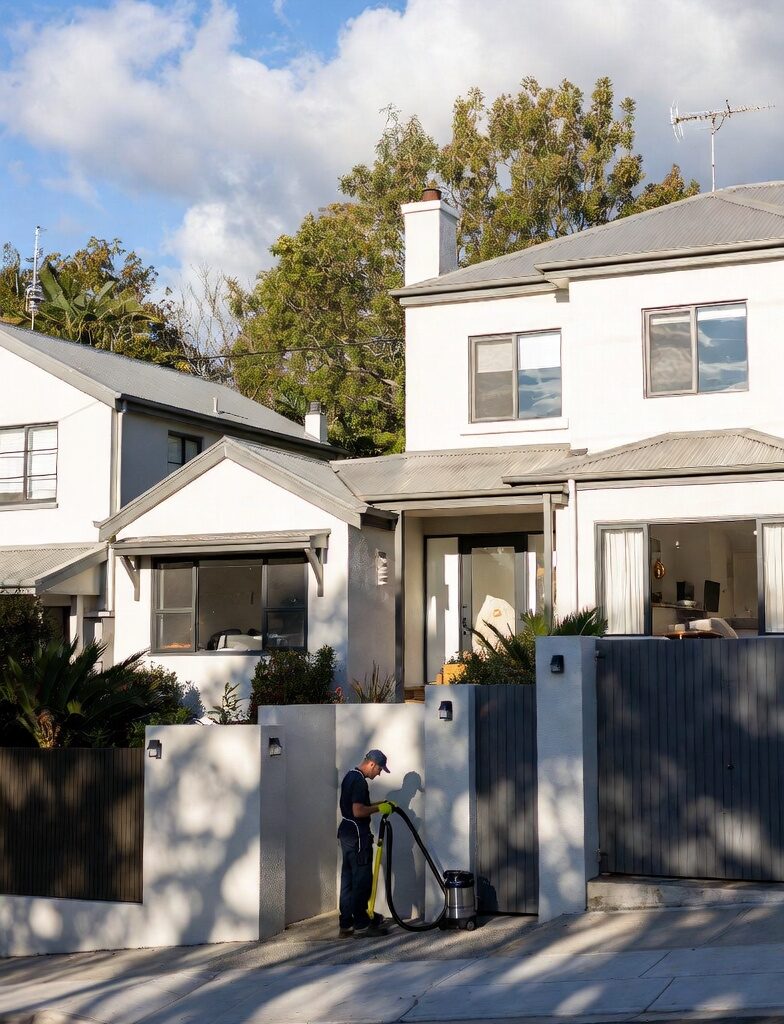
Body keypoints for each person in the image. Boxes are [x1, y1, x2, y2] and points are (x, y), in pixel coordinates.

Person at [337, 748, 395, 938]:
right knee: (362, 880)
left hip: (347, 834)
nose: (378, 774)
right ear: (371, 764)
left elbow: (357, 806)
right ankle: (362, 924)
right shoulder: (360, 782)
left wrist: (381, 803)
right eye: (379, 769)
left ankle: (347, 923)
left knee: (348, 879)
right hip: (357, 837)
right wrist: (379, 808)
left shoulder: (350, 776)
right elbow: (358, 811)